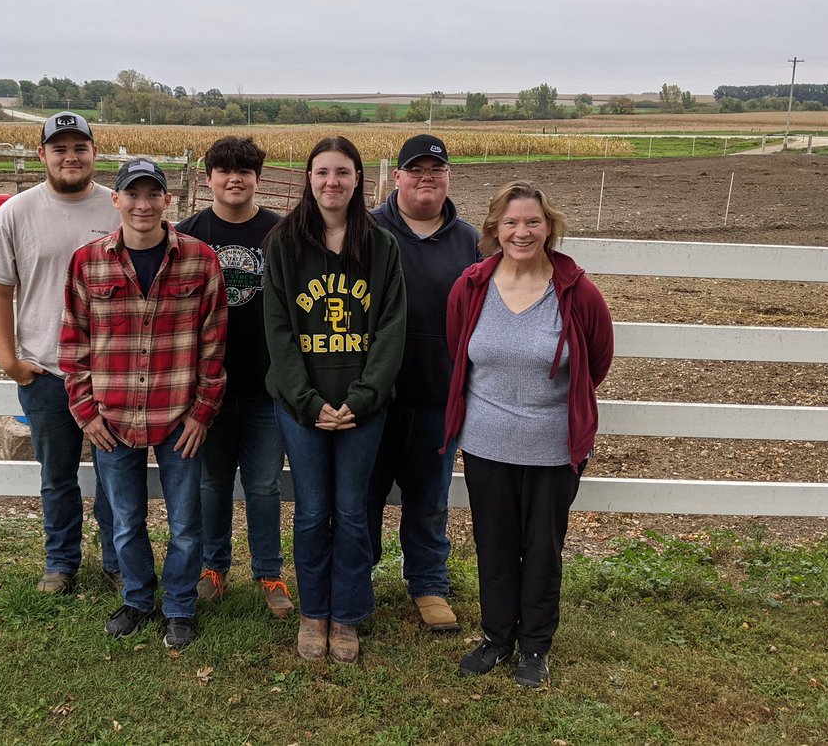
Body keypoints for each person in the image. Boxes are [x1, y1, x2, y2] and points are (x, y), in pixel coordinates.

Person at [446, 180, 613, 688]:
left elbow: (596, 360)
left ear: (549, 227)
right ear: (495, 227)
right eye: (511, 222)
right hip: (486, 442)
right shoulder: (472, 286)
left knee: (542, 549)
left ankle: (535, 647)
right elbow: (459, 351)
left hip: (552, 446)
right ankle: (497, 637)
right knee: (494, 543)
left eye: (533, 222)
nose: (522, 232)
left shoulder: (576, 291)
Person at [60, 158, 227, 650]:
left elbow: (214, 345)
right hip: (112, 418)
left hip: (179, 417)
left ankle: (178, 605)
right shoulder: (88, 262)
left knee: (185, 522)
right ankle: (137, 598)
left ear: (167, 201)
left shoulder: (200, 260)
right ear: (116, 200)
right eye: (132, 195)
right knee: (126, 520)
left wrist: (202, 411)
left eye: (152, 194)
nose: (143, 204)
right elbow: (73, 343)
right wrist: (85, 412)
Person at [263, 136, 406, 663]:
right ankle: (312, 613)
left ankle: (345, 614)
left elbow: (392, 326)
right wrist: (305, 400)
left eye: (342, 172)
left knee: (351, 512)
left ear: (357, 178)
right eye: (322, 172)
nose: (332, 182)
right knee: (310, 510)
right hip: (302, 407)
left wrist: (365, 397)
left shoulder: (381, 246)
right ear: (308, 178)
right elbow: (277, 328)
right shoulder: (284, 244)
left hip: (360, 409)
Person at [0, 111, 120, 595]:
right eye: (59, 148)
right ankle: (61, 563)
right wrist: (9, 360)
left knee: (115, 475)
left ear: (94, 152)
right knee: (57, 476)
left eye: (80, 147)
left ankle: (118, 559)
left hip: (112, 371)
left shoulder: (119, 208)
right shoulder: (15, 213)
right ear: (42, 155)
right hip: (47, 370)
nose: (71, 157)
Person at [176, 136, 294, 619]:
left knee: (265, 486)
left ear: (257, 179)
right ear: (209, 178)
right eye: (224, 170)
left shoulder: (281, 233)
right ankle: (214, 568)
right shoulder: (187, 235)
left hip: (267, 386)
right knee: (212, 483)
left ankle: (269, 573)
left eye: (244, 171)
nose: (234, 179)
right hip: (208, 389)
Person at [367, 135, 481, 632]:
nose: (426, 178)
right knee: (361, 494)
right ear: (397, 177)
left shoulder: (471, 242)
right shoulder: (367, 229)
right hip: (373, 395)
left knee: (430, 499)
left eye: (436, 169)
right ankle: (355, 579)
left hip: (439, 393)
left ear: (449, 177)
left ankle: (429, 584)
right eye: (416, 169)